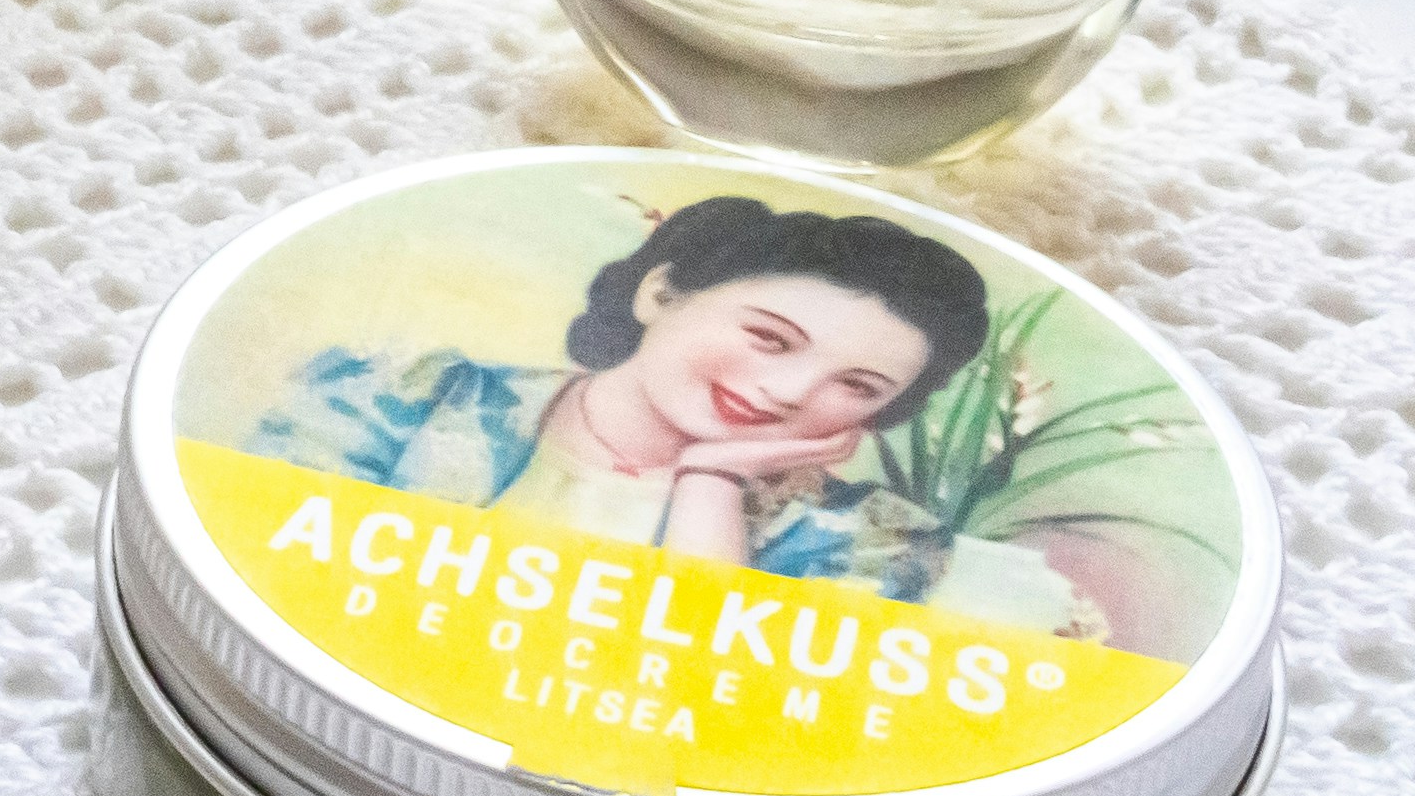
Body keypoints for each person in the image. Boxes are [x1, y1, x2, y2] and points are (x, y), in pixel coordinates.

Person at [249, 193, 993, 600]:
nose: (790, 391)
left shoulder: (869, 544)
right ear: (661, 291)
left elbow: (707, 691)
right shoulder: (401, 398)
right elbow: (269, 574)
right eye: (770, 338)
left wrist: (712, 478)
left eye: (857, 386)